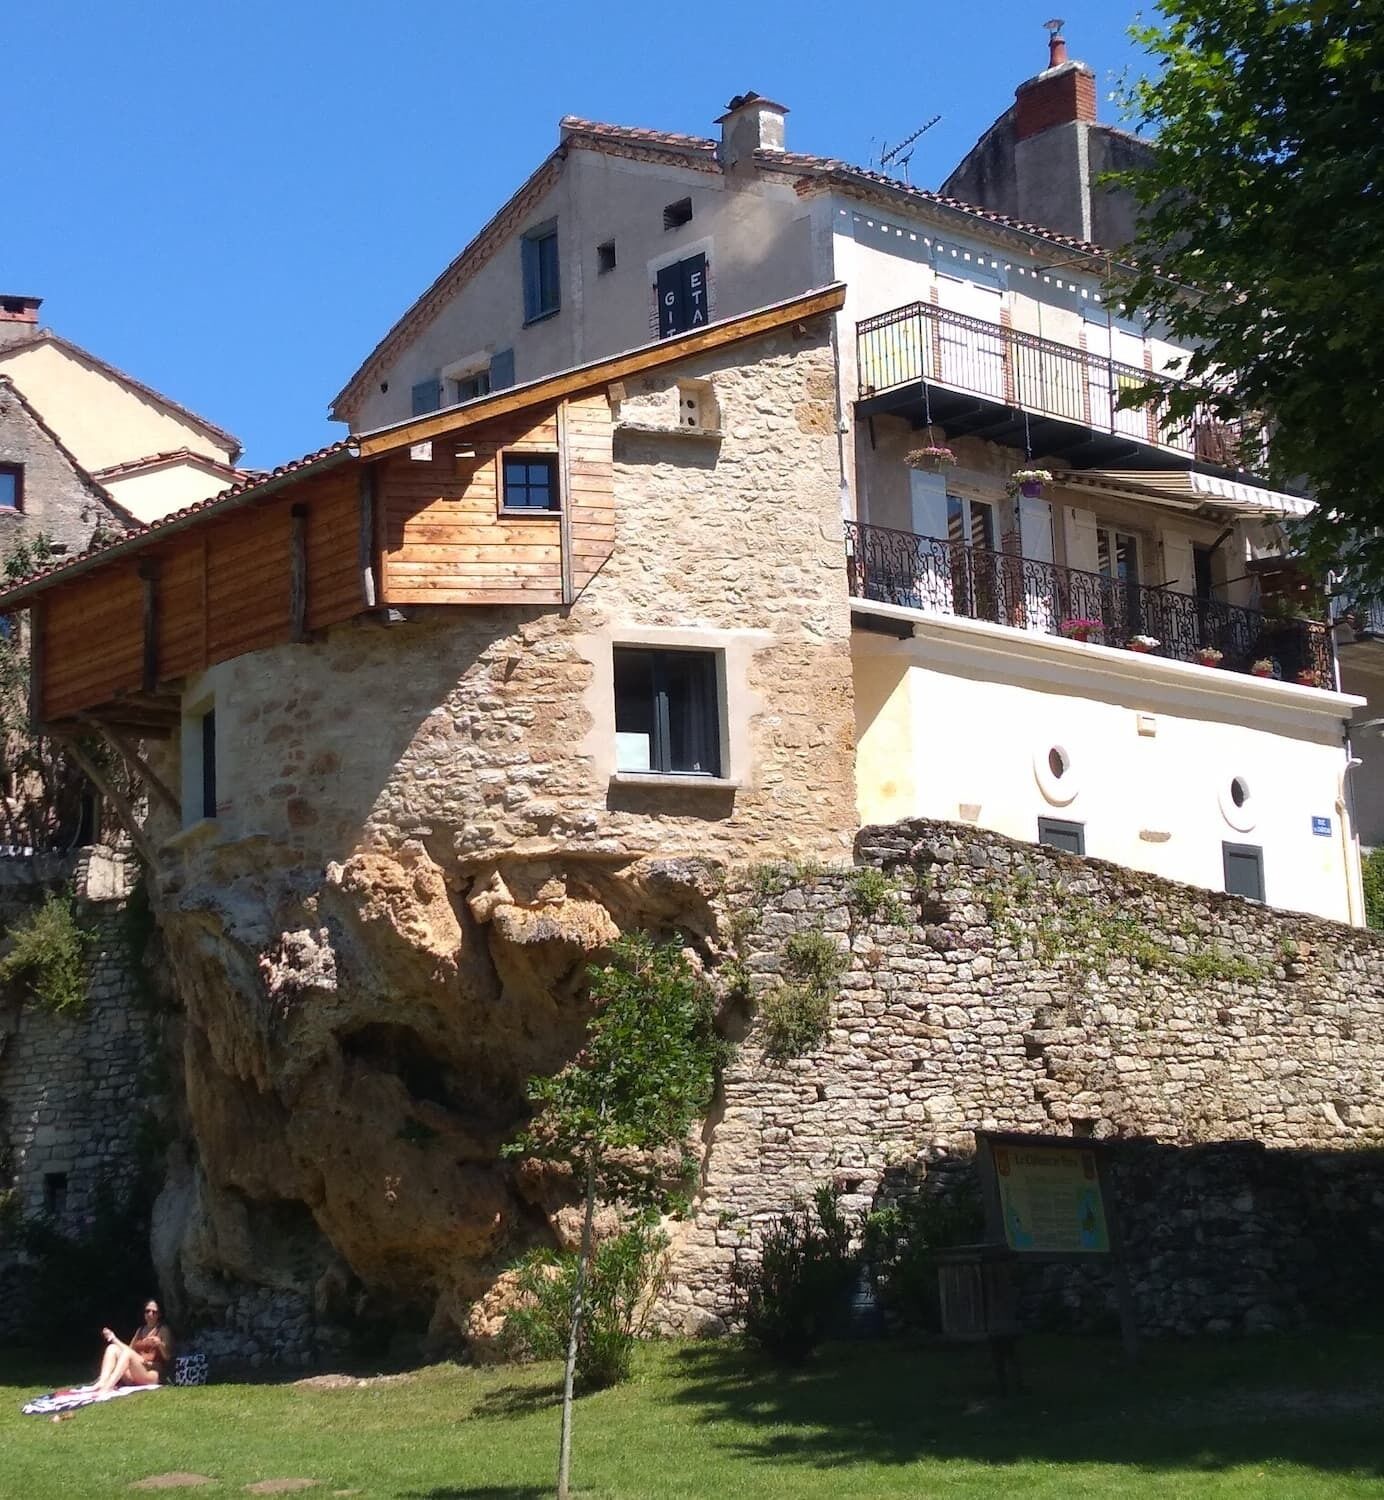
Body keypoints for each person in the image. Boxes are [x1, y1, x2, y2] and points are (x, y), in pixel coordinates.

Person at [93, 1298, 173, 1392]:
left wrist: (160, 1344)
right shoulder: (140, 1330)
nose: (150, 1314)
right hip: (137, 1369)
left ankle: (109, 1386)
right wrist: (113, 1338)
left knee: (127, 1354)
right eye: (147, 1311)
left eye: (154, 1312)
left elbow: (168, 1357)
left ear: (159, 1314)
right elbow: (129, 1350)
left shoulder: (163, 1330)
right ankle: (102, 1382)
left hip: (151, 1373)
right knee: (112, 1348)